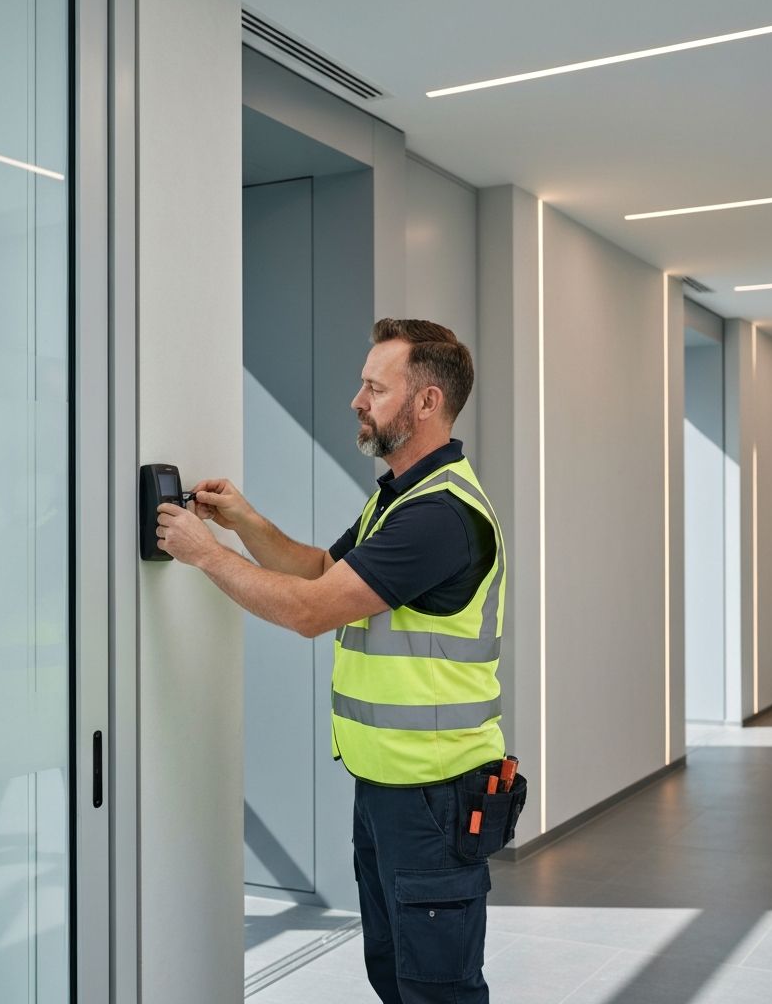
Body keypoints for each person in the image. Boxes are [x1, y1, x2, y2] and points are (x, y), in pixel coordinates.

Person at [157, 318, 510, 1004]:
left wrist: (204, 554)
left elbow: (311, 611)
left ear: (427, 403)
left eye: (375, 388)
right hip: (389, 784)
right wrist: (245, 522)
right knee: (393, 972)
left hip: (434, 792)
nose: (357, 400)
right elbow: (325, 572)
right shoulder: (398, 497)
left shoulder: (439, 516)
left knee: (437, 989)